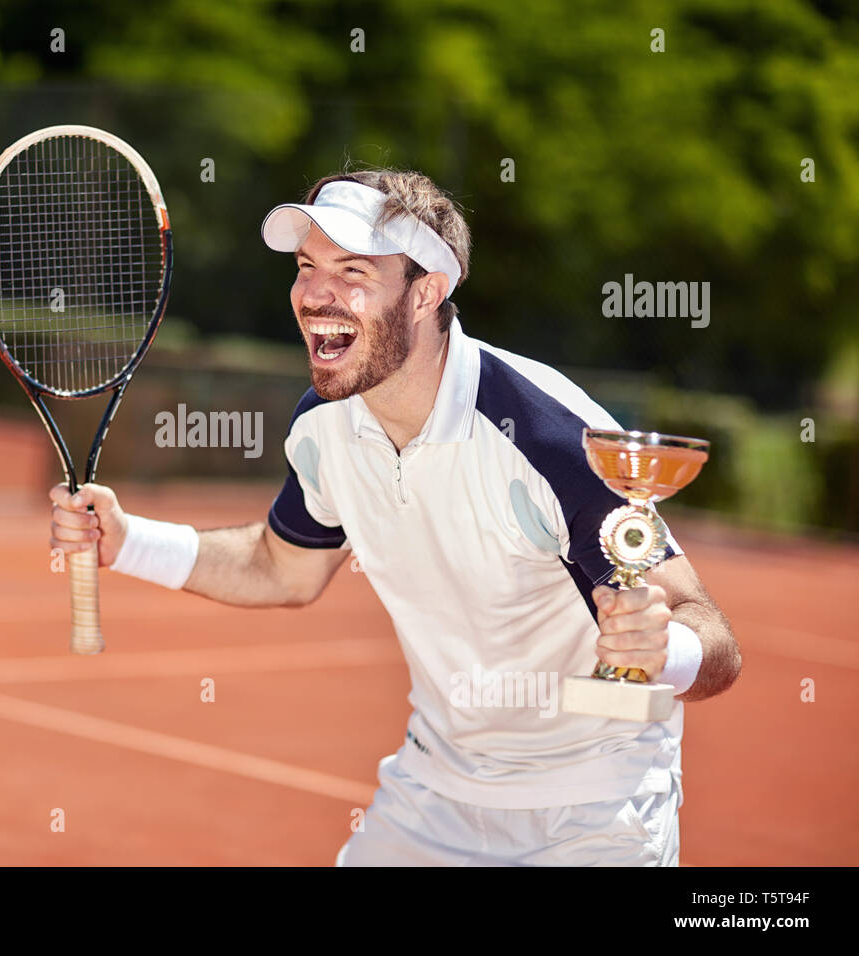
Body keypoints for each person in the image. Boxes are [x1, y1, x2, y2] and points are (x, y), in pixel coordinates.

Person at [48, 167, 742, 866]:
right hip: (432, 796)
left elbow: (712, 635)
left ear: (426, 292)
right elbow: (282, 567)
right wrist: (127, 540)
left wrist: (665, 652)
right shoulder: (324, 425)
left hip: (594, 813)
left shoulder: (547, 436)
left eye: (352, 271)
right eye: (306, 266)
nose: (315, 294)